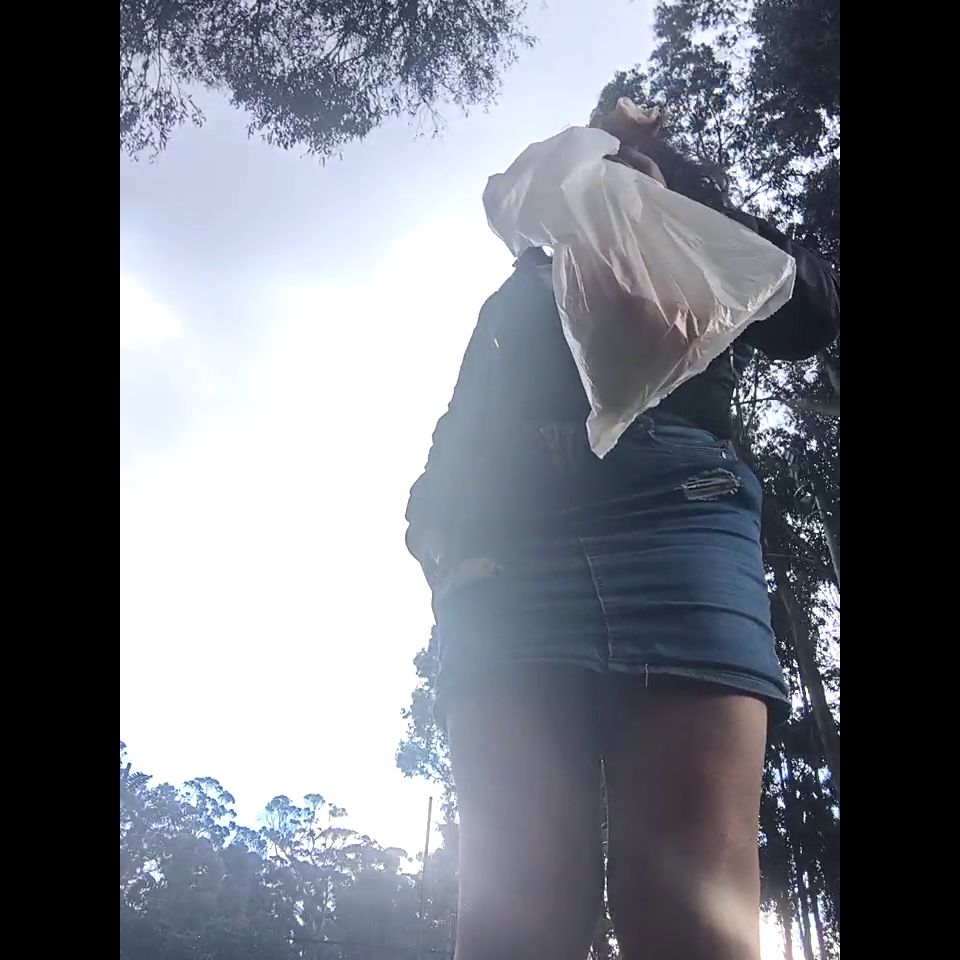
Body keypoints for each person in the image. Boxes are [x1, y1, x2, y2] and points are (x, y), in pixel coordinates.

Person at [404, 101, 840, 960]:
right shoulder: (518, 293)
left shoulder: (691, 248)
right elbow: (459, 428)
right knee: (519, 911)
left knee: (692, 908)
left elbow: (812, 312)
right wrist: (440, 541)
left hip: (683, 518)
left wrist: (681, 189)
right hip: (512, 551)